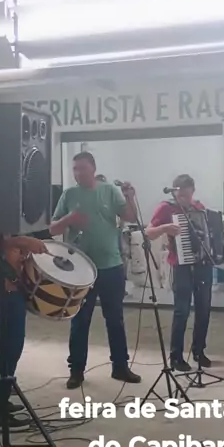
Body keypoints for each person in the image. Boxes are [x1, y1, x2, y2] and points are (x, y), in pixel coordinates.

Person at [50, 151, 141, 389]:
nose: (78, 173)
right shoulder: (69, 195)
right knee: (80, 321)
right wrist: (69, 219)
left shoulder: (109, 191)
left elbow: (130, 216)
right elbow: (52, 228)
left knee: (115, 320)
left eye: (82, 168)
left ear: (93, 168)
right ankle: (76, 371)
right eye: (75, 169)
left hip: (111, 266)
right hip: (80, 270)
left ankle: (120, 367)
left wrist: (130, 197)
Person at [146, 175, 224, 372]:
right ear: (174, 192)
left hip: (203, 265)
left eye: (187, 196)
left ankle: (198, 351)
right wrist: (165, 228)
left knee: (203, 309)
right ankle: (176, 356)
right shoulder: (166, 208)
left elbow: (215, 233)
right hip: (181, 265)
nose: (184, 200)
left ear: (192, 192)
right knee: (182, 310)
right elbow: (149, 232)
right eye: (180, 196)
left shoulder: (199, 208)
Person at [0, 233, 47, 429]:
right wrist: (23, 241)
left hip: (5, 286)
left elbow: (3, 243)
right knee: (9, 347)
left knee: (3, 347)